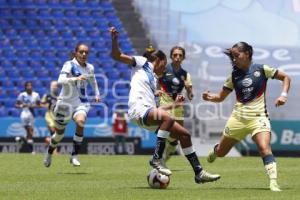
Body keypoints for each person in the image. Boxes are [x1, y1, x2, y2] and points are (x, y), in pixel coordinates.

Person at [110, 26, 220, 184]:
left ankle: (199, 172)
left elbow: (158, 110)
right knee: (167, 119)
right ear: (160, 60)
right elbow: (117, 55)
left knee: (184, 134)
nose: (164, 67)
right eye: (164, 63)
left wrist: (174, 104)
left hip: (147, 112)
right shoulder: (143, 63)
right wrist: (114, 40)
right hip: (138, 110)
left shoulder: (154, 80)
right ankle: (157, 159)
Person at [202, 42, 291, 191]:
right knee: (222, 153)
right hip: (238, 119)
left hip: (259, 118)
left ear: (247, 54)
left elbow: (286, 78)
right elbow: (220, 97)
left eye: (237, 55)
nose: (234, 59)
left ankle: (273, 182)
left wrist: (283, 95)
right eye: (233, 56)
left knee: (264, 148)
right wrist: (210, 97)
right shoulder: (233, 76)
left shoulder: (262, 69)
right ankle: (216, 150)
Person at [43, 42, 101, 167]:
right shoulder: (69, 65)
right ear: (76, 53)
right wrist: (75, 78)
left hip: (80, 102)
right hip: (64, 104)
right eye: (81, 52)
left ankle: (74, 155)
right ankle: (49, 152)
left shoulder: (90, 67)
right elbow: (60, 80)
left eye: (86, 52)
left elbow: (93, 80)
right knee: (59, 134)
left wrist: (97, 94)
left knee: (80, 122)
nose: (84, 54)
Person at [157, 46, 194, 164]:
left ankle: (163, 160)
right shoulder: (163, 70)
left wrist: (189, 90)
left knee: (175, 138)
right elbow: (155, 82)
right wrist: (156, 91)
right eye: (175, 55)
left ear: (183, 57)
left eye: (180, 55)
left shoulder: (186, 74)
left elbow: (191, 96)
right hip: (165, 105)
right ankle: (158, 159)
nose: (177, 57)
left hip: (178, 108)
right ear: (171, 56)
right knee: (165, 133)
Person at [15, 81, 41, 154]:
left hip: (31, 114)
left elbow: (39, 105)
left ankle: (21, 140)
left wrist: (33, 106)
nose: (29, 87)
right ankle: (30, 149)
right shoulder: (22, 95)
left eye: (30, 86)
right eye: (28, 86)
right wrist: (21, 106)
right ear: (25, 87)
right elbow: (16, 105)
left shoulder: (36, 95)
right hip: (24, 114)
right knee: (29, 131)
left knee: (30, 132)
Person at [41, 81, 59, 154]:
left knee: (56, 134)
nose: (54, 87)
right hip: (49, 115)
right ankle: (55, 150)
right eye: (53, 86)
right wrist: (46, 106)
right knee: (52, 131)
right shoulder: (47, 96)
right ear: (51, 87)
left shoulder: (60, 96)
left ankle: (48, 140)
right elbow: (41, 104)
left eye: (56, 86)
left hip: (57, 116)